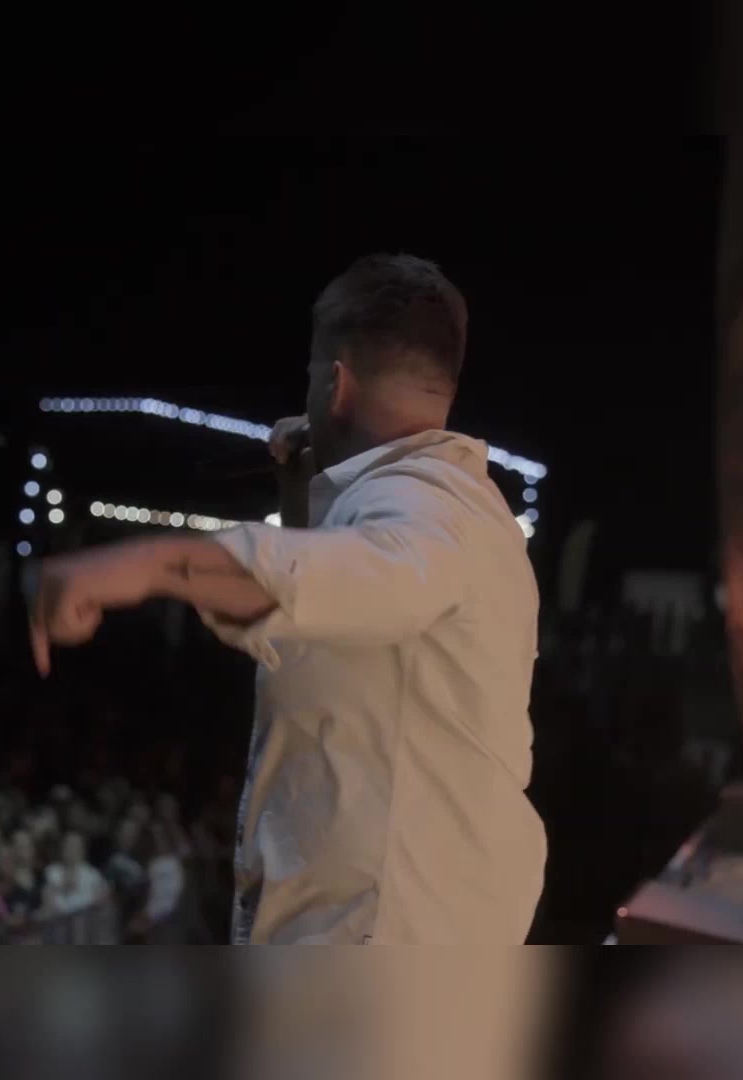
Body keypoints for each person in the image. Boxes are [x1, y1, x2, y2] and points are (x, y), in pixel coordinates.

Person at [30, 253, 546, 944]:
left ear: (336, 383)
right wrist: (302, 497)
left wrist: (145, 563)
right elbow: (341, 615)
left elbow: (363, 574)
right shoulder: (448, 502)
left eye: (310, 374)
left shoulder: (429, 504)